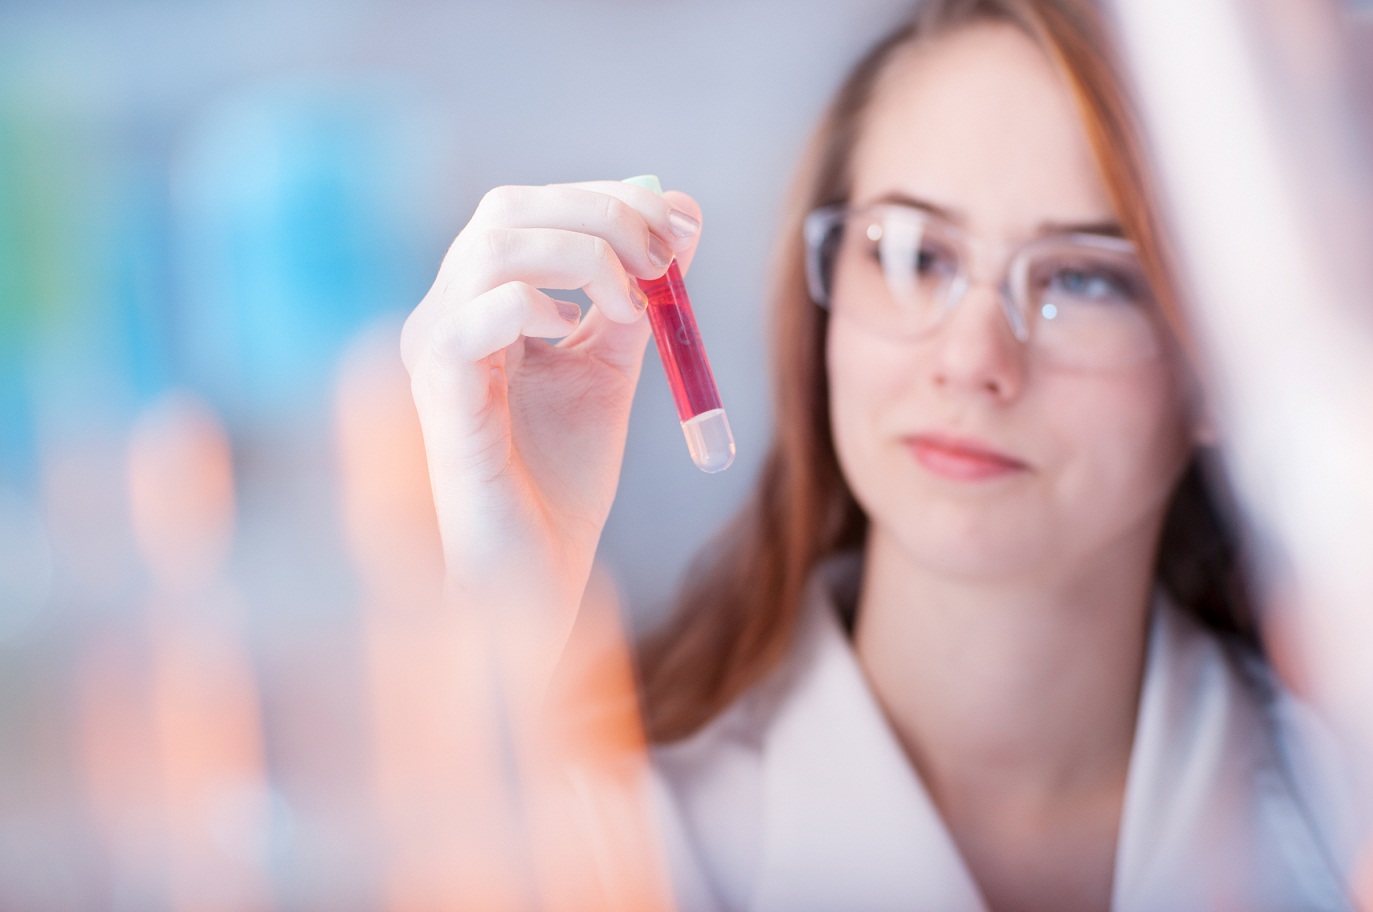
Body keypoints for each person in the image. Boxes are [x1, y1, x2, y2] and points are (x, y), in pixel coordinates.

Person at [401, 0, 1366, 908]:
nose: (972, 361)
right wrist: (504, 609)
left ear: (1220, 361)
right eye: (913, 255)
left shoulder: (1338, 815)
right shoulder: (617, 848)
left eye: (1083, 277)